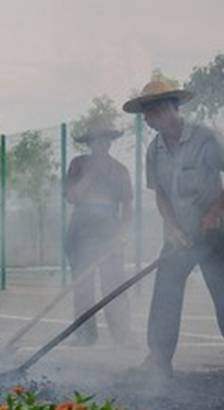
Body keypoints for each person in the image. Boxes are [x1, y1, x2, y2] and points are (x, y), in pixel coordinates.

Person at [123, 79, 224, 377]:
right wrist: (171, 226)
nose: (147, 117)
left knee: (222, 291)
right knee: (166, 288)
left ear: (172, 107)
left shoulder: (205, 138)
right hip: (181, 234)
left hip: (215, 233)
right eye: (145, 111)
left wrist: (215, 212)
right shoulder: (153, 151)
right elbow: (161, 195)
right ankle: (158, 359)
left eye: (152, 109)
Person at [65, 118, 133, 346]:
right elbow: (73, 197)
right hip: (81, 229)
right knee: (82, 286)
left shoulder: (120, 171)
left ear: (111, 142)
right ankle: (85, 336)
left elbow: (127, 207)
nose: (102, 143)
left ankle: (121, 335)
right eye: (96, 139)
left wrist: (122, 234)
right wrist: (91, 173)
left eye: (106, 139)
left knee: (113, 283)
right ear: (90, 143)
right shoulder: (78, 164)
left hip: (109, 229)